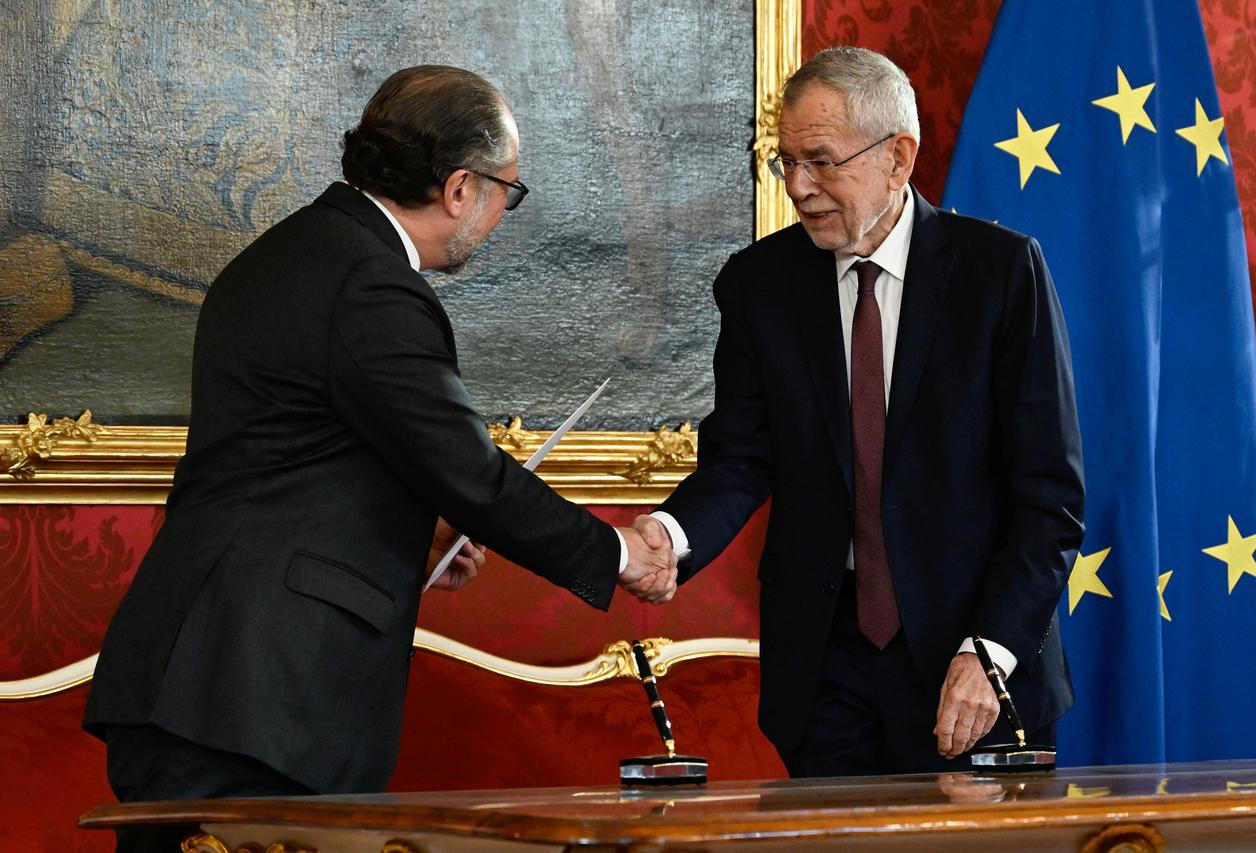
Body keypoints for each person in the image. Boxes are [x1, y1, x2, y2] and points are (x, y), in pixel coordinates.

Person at [84, 65, 676, 850]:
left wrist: (416, 534)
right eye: (509, 191)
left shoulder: (289, 253)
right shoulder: (372, 284)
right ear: (461, 188)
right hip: (250, 697)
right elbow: (472, 473)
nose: (502, 213)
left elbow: (296, 460)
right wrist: (619, 551)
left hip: (204, 683)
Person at [629, 46, 1084, 776]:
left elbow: (1050, 497)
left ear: (898, 157)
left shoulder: (999, 275)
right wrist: (668, 534)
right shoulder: (759, 285)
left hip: (974, 662)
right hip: (824, 664)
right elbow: (741, 457)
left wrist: (991, 650)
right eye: (786, 163)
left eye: (821, 161)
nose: (799, 188)